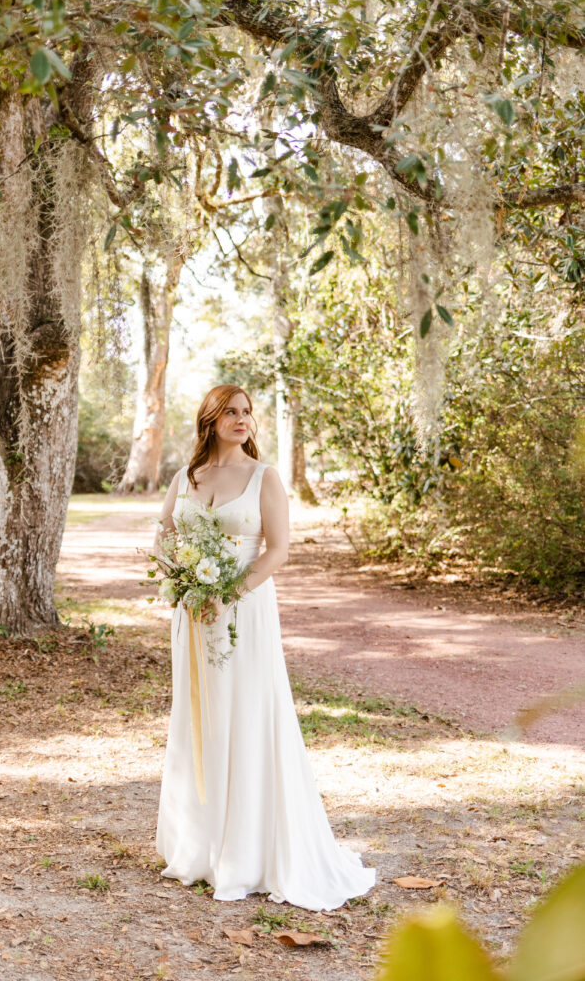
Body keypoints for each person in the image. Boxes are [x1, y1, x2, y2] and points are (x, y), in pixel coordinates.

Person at [154, 383, 375, 910]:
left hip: (244, 612)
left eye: (248, 412)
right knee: (200, 717)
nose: (242, 419)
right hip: (193, 615)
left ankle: (249, 852)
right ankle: (202, 846)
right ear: (210, 418)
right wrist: (180, 581)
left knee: (247, 716)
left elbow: (279, 551)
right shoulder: (187, 478)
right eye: (231, 411)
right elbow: (164, 533)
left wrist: (227, 593)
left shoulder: (264, 477)